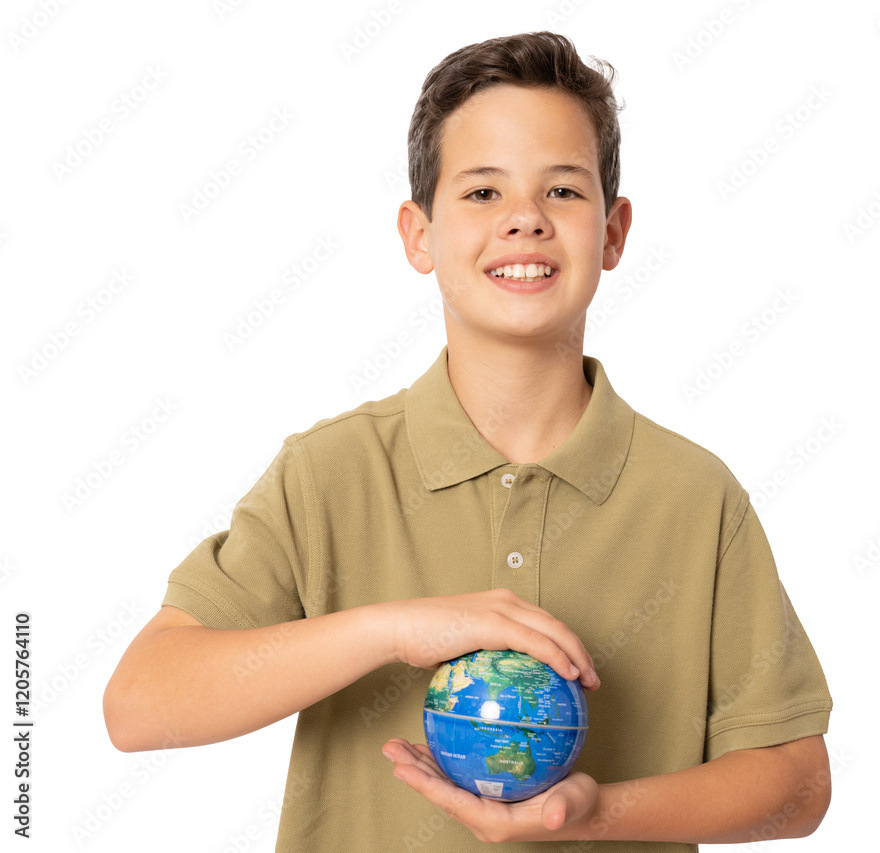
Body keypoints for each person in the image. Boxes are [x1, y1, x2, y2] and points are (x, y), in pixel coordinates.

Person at [104, 31, 833, 851]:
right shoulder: (330, 473)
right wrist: (392, 628)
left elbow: (798, 783)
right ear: (419, 234)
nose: (523, 219)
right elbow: (138, 706)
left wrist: (595, 814)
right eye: (483, 193)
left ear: (614, 231)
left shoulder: (697, 497)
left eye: (562, 190)